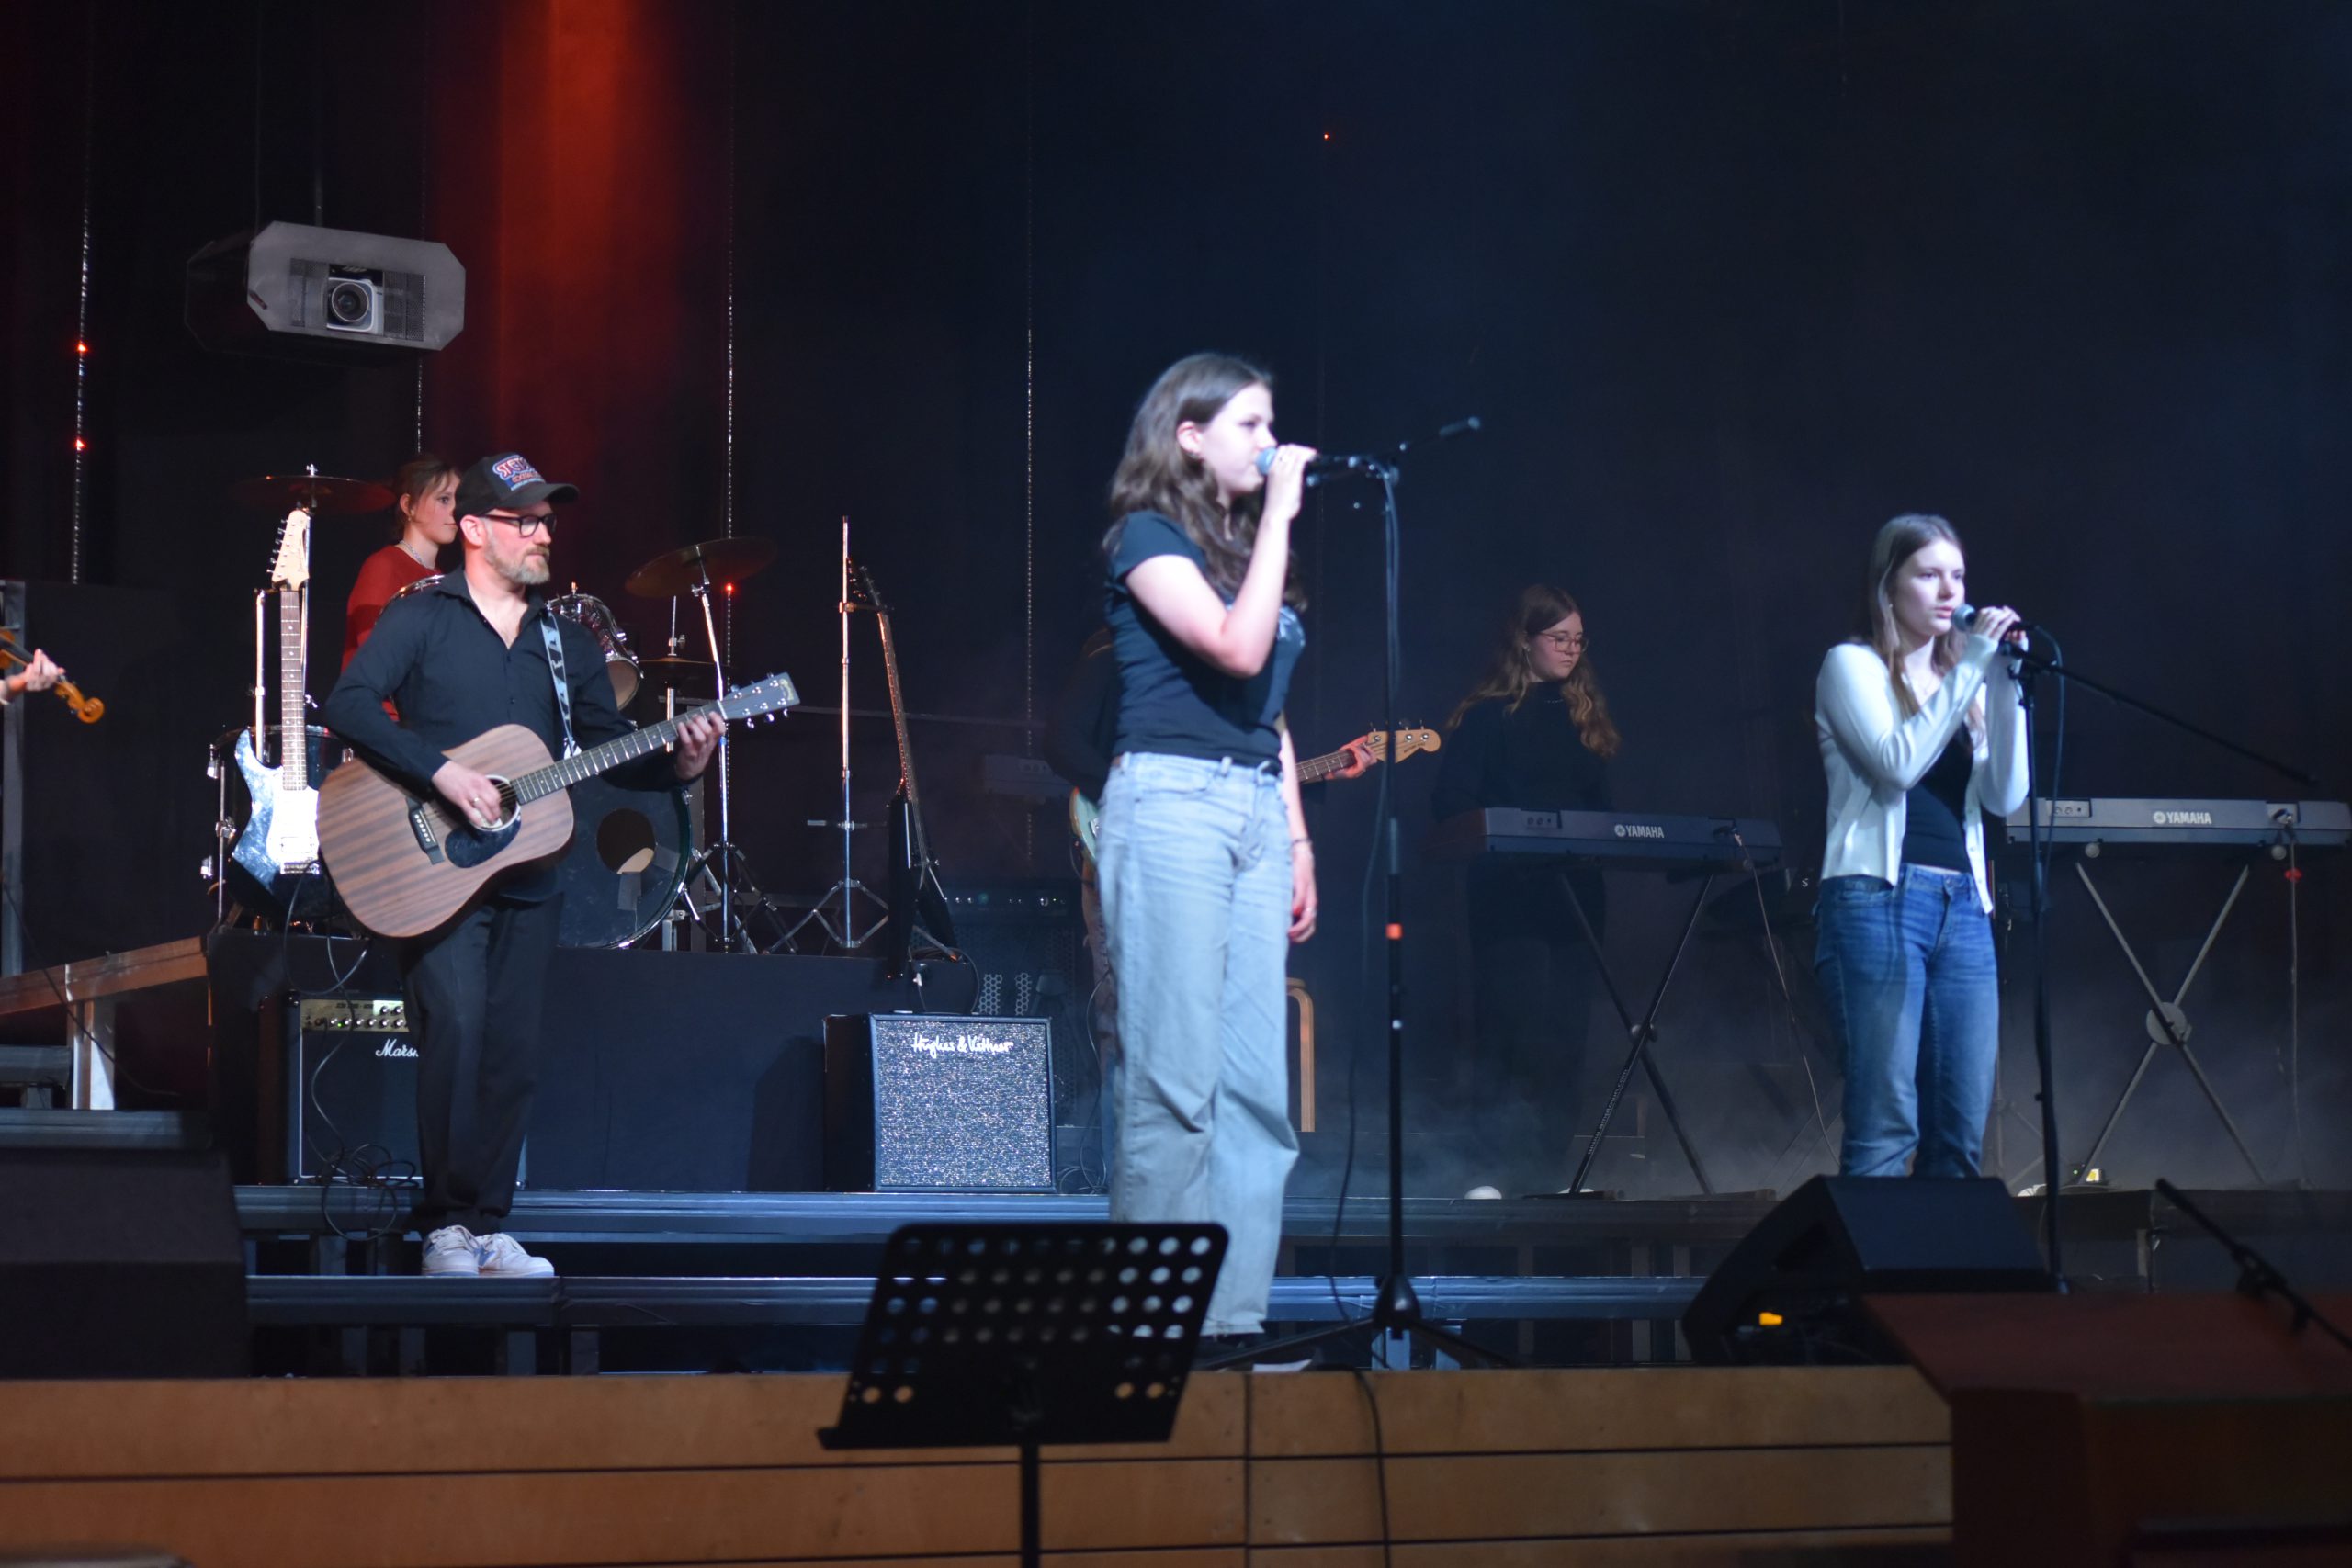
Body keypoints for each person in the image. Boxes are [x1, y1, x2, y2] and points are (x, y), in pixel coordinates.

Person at [324, 452, 723, 1276]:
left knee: (513, 1050)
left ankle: (486, 1224)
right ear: (474, 529)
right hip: (433, 866)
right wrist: (442, 774)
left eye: (547, 520)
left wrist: (680, 765)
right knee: (456, 1027)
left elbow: (610, 750)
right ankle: (443, 1225)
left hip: (530, 867)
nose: (543, 534)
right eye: (525, 520)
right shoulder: (422, 615)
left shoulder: (565, 642)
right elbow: (349, 704)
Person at [1095, 353, 1317, 1353]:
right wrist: (1278, 519)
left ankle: (1232, 1329)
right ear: (1188, 436)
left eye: (1273, 425)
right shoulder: (1145, 538)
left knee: (1257, 1096)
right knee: (1175, 1085)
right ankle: (1151, 1334)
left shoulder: (1246, 550)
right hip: (1172, 806)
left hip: (1255, 810)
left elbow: (1268, 708)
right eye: (1249, 425)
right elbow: (1234, 648)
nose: (1270, 444)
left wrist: (1298, 836)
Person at [1814, 513, 2027, 1179]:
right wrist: (1973, 670)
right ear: (1888, 586)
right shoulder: (1850, 665)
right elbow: (1897, 763)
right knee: (1886, 1123)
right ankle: (1872, 1251)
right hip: (1877, 898)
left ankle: (1944, 1251)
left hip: (1964, 904)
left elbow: (2005, 796)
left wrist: (2005, 685)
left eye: (1957, 575)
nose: (1949, 591)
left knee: (1959, 1131)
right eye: (1929, 574)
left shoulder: (1965, 681)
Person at [1430, 584, 1620, 1195]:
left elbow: (1605, 815)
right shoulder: (1487, 717)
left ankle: (1548, 1174)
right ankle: (1491, 1173)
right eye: (1558, 637)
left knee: (1566, 1037)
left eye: (1578, 639)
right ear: (1524, 640)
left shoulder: (1585, 719)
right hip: (1509, 898)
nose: (1570, 649)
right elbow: (1451, 801)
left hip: (1576, 898)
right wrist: (1511, 832)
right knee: (1512, 1030)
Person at [343, 455, 460, 670]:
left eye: (458, 500)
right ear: (408, 505)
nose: (455, 510)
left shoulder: (440, 577)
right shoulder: (383, 566)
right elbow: (377, 656)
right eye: (444, 500)